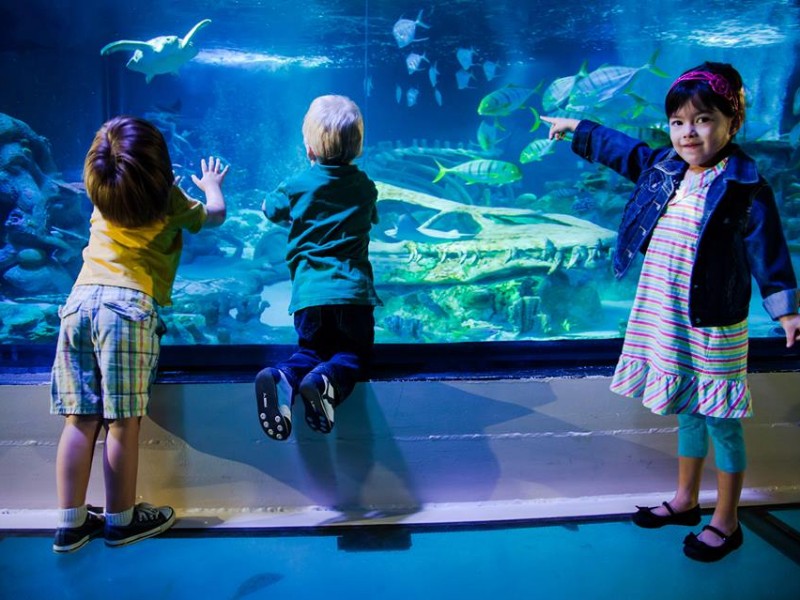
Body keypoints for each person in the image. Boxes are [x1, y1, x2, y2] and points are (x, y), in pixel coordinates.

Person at [543, 62, 800, 562]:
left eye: (703, 120)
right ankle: (685, 500)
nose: (688, 132)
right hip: (667, 312)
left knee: (720, 416)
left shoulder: (745, 183)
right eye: (679, 121)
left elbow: (768, 248)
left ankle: (726, 520)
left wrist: (786, 310)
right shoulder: (665, 166)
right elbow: (626, 152)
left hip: (714, 318)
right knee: (687, 407)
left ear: (733, 122)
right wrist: (578, 128)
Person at [50, 116, 229, 553]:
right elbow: (216, 216)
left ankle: (70, 524)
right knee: (121, 424)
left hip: (78, 305)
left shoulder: (101, 196)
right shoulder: (169, 198)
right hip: (126, 310)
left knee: (80, 420)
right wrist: (210, 185)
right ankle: (120, 520)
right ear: (161, 172)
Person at [255, 94, 381, 440]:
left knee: (310, 351)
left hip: (309, 294)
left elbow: (271, 210)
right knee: (351, 355)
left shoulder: (295, 185)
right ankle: (326, 383)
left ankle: (285, 378)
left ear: (309, 150)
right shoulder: (364, 187)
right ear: (357, 148)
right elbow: (370, 217)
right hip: (352, 294)